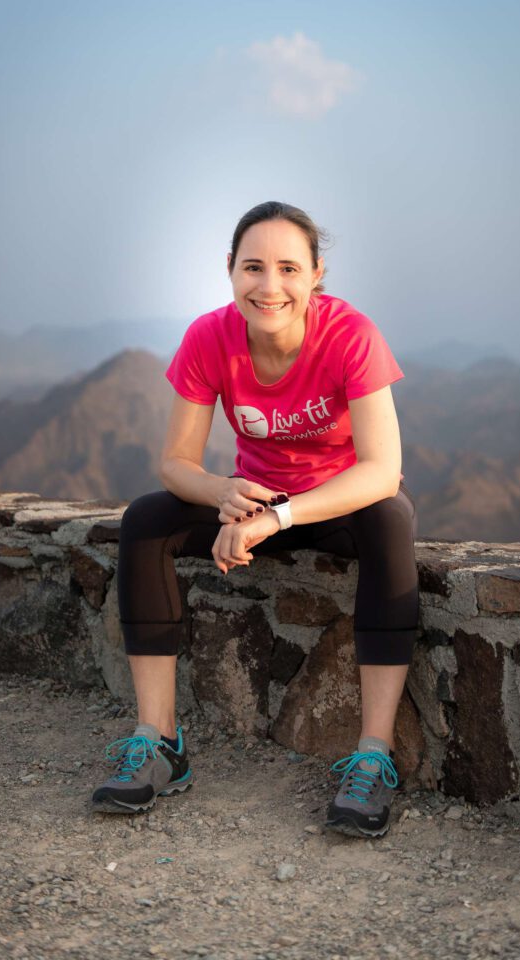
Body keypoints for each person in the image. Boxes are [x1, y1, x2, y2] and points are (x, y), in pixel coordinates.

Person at [91, 201, 420, 839]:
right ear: (230, 270)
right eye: (254, 267)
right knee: (145, 520)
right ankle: (159, 742)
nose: (270, 286)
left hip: (332, 507)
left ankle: (373, 758)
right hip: (253, 503)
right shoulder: (208, 337)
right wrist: (223, 493)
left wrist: (281, 518)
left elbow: (381, 471)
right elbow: (175, 462)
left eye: (289, 268)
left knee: (391, 518)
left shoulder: (352, 335)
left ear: (317, 275)